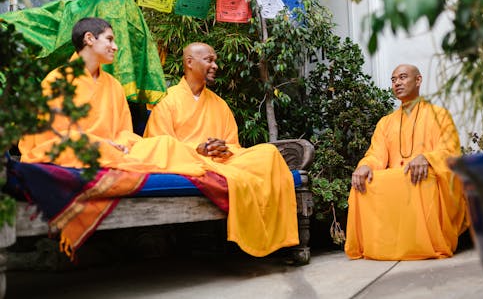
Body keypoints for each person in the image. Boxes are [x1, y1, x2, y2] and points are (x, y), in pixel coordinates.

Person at [144, 42, 299, 257]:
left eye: (215, 60)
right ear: (190, 62)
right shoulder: (167, 100)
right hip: (188, 162)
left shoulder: (219, 104)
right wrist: (197, 150)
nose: (215, 65)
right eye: (209, 60)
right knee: (166, 147)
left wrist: (223, 151)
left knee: (269, 153)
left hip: (222, 162)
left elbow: (233, 145)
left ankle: (280, 239)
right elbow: (159, 145)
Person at [19, 17, 210, 176]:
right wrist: (100, 143)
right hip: (73, 148)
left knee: (164, 144)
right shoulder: (58, 80)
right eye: (109, 39)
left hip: (111, 150)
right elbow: (52, 136)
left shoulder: (114, 85)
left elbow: (123, 132)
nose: (115, 47)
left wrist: (121, 144)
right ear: (89, 39)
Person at [345, 64, 469, 260]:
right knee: (362, 183)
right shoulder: (385, 122)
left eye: (403, 77)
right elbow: (376, 155)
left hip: (424, 178)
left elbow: (450, 152)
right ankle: (379, 247)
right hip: (396, 179)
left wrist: (427, 158)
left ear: (418, 80)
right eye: (394, 80)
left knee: (423, 177)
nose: (397, 83)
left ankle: (426, 244)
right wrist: (364, 166)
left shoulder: (439, 115)